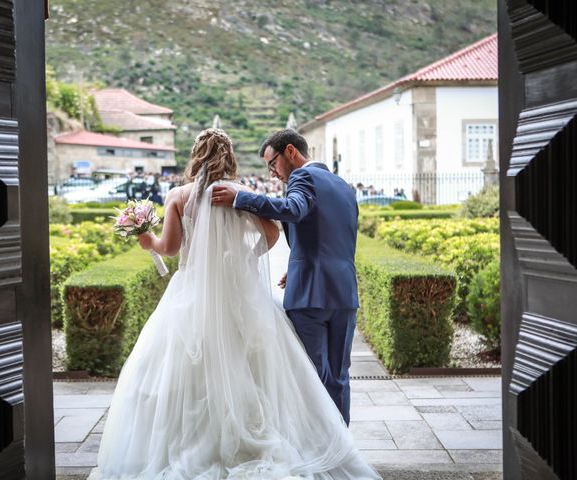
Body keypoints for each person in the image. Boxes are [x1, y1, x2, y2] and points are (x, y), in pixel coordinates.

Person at [88, 128, 380, 480]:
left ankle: (196, 443)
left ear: (196, 155)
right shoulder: (245, 192)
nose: (272, 170)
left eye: (272, 163)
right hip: (263, 292)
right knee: (314, 373)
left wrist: (144, 238)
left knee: (183, 371)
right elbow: (272, 235)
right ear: (229, 156)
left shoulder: (180, 195)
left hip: (192, 293)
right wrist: (242, 258)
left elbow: (168, 248)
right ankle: (333, 441)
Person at [212, 129, 359, 426]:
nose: (273, 173)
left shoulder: (302, 178)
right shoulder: (343, 186)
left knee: (311, 375)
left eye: (272, 164)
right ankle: (343, 443)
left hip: (310, 296)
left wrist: (243, 198)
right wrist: (297, 265)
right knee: (340, 376)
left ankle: (321, 444)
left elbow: (293, 210)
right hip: (344, 294)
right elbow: (334, 238)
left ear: (290, 152)